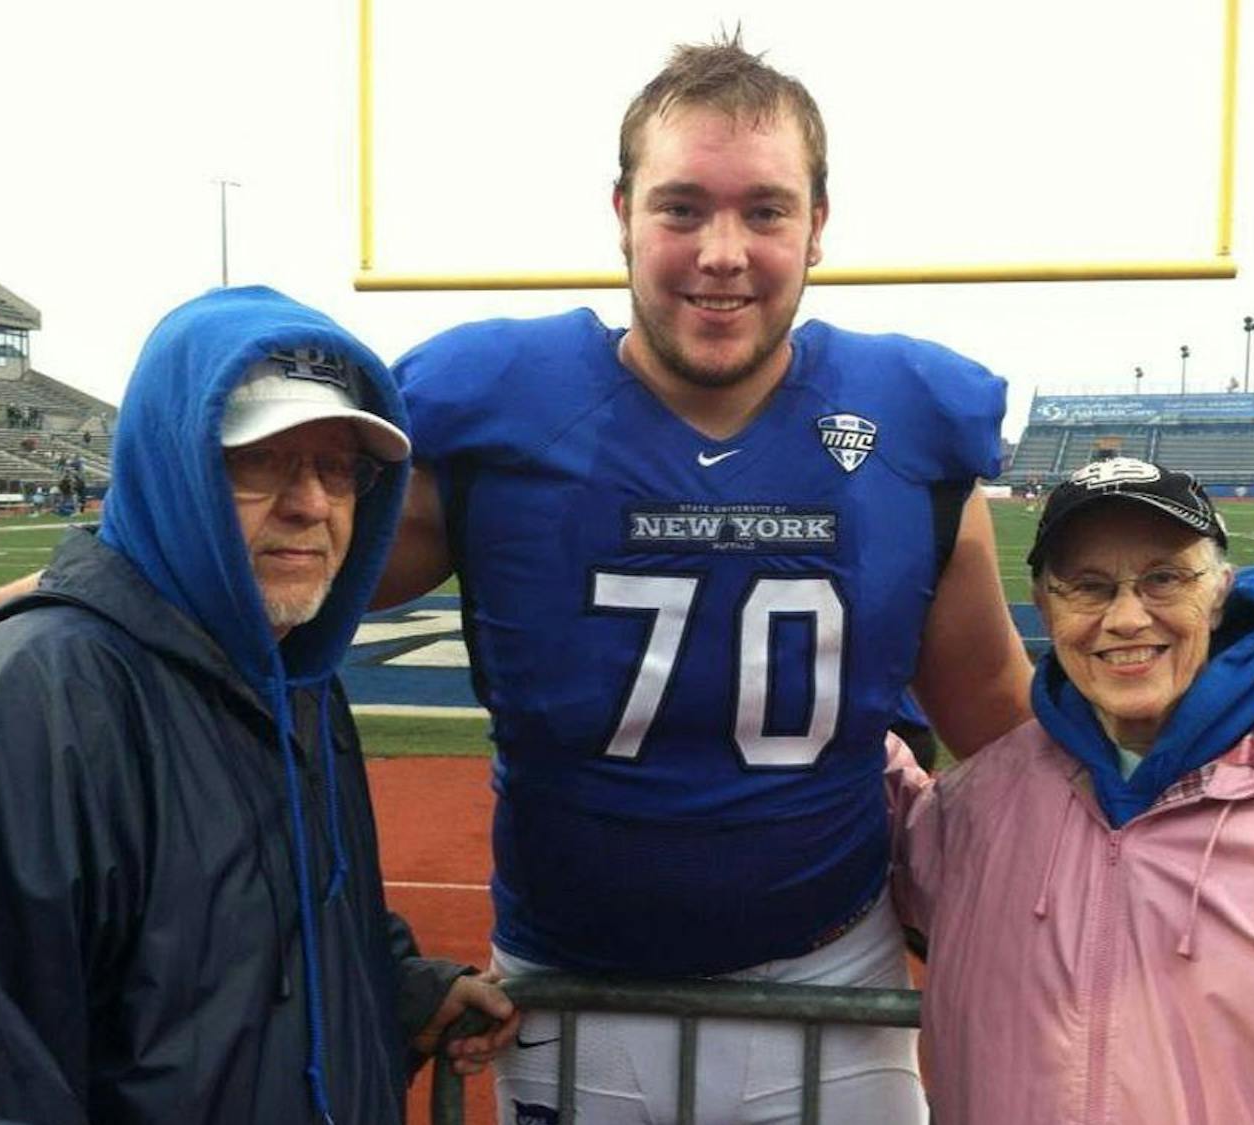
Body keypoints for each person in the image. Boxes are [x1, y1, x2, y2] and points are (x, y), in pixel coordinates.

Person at [378, 33, 1033, 1124]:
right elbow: (255, 590)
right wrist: (63, 614)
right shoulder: (500, 403)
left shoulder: (909, 420)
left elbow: (1000, 721)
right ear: (624, 212)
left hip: (833, 977)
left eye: (765, 211)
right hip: (569, 986)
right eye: (682, 208)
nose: (722, 250)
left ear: (818, 225)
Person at [0, 286, 515, 1125]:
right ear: (174, 464)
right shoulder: (41, 700)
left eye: (338, 467)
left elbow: (267, 919)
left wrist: (398, 987)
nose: (311, 503)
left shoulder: (294, 675)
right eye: (261, 460)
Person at [888, 457, 1254, 1124]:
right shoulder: (984, 799)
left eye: (1164, 578)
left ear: (1220, 590)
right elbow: (858, 827)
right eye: (1087, 586)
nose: (1126, 617)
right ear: (1043, 604)